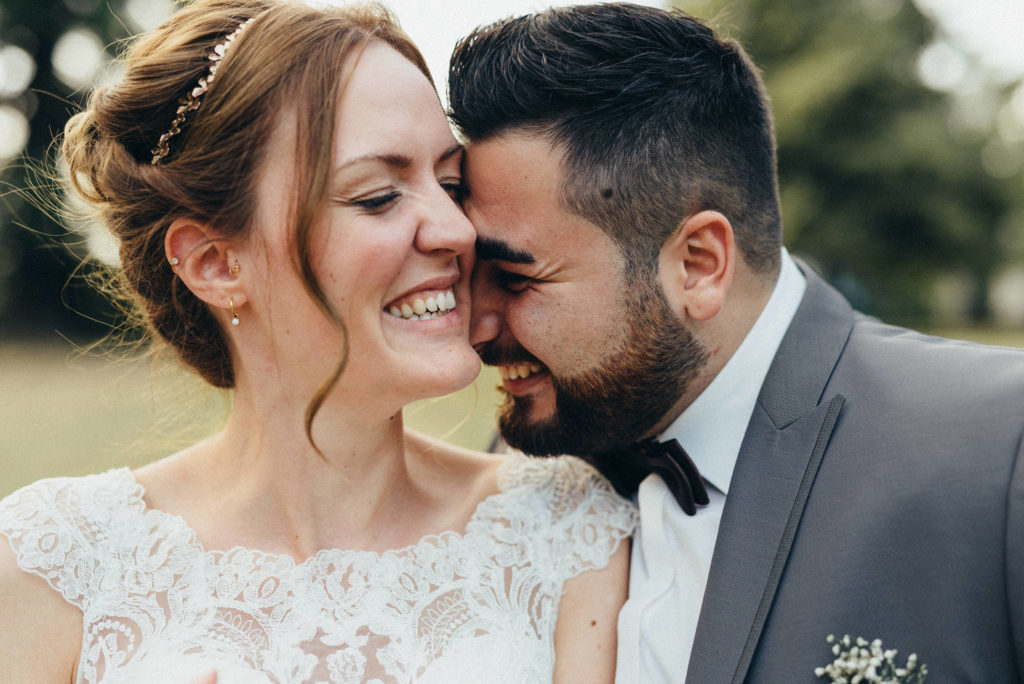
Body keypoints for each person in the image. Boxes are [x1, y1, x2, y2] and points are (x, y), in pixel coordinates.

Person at [0, 0, 635, 681]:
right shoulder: (55, 560)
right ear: (217, 264)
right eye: (377, 197)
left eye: (450, 184)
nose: (455, 231)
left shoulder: (568, 532)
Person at [448, 3, 1024, 682]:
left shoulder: (998, 449)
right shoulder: (523, 472)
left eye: (514, 279)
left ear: (697, 264)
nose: (475, 325)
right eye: (468, 276)